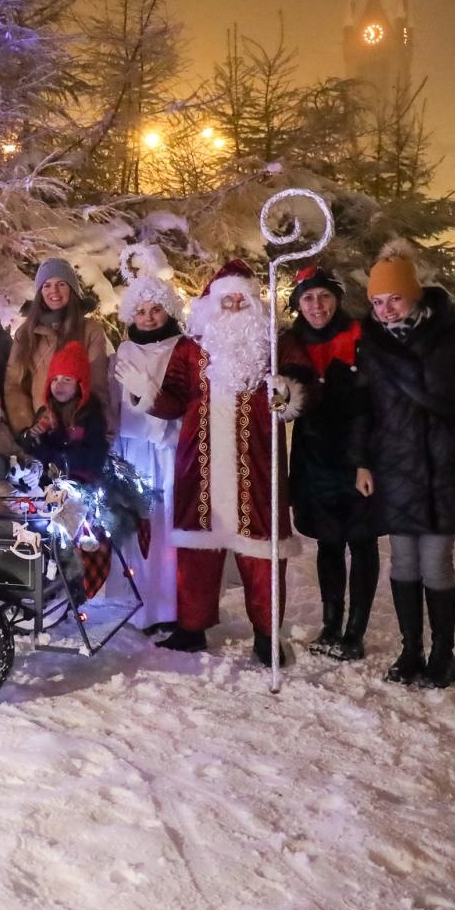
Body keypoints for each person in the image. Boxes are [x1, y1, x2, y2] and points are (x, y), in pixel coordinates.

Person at [126, 259, 313, 668]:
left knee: (263, 552)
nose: (232, 305)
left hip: (257, 465)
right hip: (201, 462)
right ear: (211, 303)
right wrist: (147, 394)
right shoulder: (191, 347)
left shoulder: (274, 342)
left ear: (252, 301)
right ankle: (192, 628)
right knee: (197, 550)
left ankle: (267, 635)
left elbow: (300, 381)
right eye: (225, 298)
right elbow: (175, 399)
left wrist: (286, 391)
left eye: (240, 298)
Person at [354, 240, 455, 688]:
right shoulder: (374, 347)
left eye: (394, 299)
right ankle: (411, 651)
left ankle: (443, 655)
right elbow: (363, 408)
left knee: (436, 562)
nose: (385, 310)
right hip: (397, 468)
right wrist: (363, 462)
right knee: (403, 563)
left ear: (415, 295)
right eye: (377, 302)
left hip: (446, 469)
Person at [282, 264, 378, 661]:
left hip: (359, 452)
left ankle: (355, 631)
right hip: (314, 454)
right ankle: (331, 624)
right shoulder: (291, 341)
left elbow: (372, 403)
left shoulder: (361, 335)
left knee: (362, 539)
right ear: (298, 304)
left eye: (324, 296)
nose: (317, 305)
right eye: (308, 298)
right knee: (329, 541)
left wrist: (365, 460)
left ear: (336, 298)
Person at [109, 256, 186, 634]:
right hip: (134, 449)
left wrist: (151, 396)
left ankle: (170, 605)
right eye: (141, 311)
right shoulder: (124, 350)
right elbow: (122, 403)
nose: (149, 317)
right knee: (138, 525)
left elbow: (183, 399)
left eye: (156, 310)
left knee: (167, 525)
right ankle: (140, 604)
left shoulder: (181, 348)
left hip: (168, 448)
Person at [5, 258, 114, 442]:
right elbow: (13, 385)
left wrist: (94, 428)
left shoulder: (90, 330)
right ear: (40, 292)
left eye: (61, 284)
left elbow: (97, 385)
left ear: (71, 289)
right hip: (40, 431)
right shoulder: (26, 333)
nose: (53, 291)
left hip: (78, 430)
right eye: (46, 285)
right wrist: (27, 427)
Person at [22, 341, 108, 485]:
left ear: (80, 384)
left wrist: (60, 457)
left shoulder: (90, 413)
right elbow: (35, 452)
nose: (59, 385)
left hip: (80, 483)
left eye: (67, 379)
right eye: (55, 379)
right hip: (49, 482)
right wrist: (31, 436)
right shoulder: (46, 413)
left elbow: (96, 453)